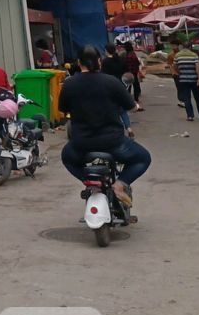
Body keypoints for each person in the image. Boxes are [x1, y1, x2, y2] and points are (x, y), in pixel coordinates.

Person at [59, 51, 152, 206]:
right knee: (143, 158)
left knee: (67, 158)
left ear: (79, 62)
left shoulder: (69, 83)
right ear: (99, 62)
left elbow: (63, 109)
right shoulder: (111, 82)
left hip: (81, 143)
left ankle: (89, 182)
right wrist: (133, 106)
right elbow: (130, 106)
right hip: (113, 143)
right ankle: (120, 185)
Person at [173, 39, 199, 121]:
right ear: (190, 46)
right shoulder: (194, 55)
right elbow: (197, 67)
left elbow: (175, 66)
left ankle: (190, 115)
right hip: (194, 79)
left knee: (187, 98)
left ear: (182, 47)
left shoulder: (177, 55)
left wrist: (179, 72)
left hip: (183, 80)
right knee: (197, 97)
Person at [121, 43, 144, 111]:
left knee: (129, 86)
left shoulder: (127, 55)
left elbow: (124, 64)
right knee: (135, 85)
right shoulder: (132, 54)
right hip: (133, 72)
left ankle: (129, 99)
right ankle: (136, 99)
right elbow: (137, 63)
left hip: (128, 72)